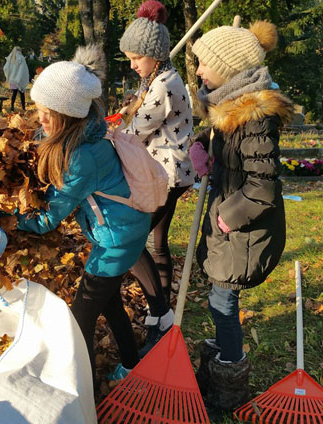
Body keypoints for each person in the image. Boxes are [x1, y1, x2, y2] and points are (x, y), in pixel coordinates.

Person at [13, 45, 151, 384]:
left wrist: (9, 220)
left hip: (115, 242)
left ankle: (84, 391)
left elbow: (47, 220)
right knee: (110, 303)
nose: (40, 118)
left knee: (80, 318)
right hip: (127, 230)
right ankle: (132, 366)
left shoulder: (79, 158)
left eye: (48, 112)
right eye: (38, 108)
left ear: (69, 113)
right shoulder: (89, 131)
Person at [189, 21, 294, 411]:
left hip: (243, 229)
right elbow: (221, 140)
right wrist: (203, 146)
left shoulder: (254, 117)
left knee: (223, 302)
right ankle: (218, 359)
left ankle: (229, 379)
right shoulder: (229, 107)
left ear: (230, 69)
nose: (198, 71)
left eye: (204, 64)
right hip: (230, 224)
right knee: (219, 298)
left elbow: (262, 187)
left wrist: (228, 218)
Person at [119, 0, 195, 359]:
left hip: (163, 174)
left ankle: (160, 313)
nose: (132, 64)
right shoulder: (158, 78)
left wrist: (110, 137)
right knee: (157, 242)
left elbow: (136, 131)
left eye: (136, 57)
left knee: (130, 242)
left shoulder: (164, 84)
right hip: (172, 171)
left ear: (154, 54)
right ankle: (161, 311)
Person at [3, 46, 29, 112]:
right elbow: (24, 69)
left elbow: (5, 68)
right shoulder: (21, 58)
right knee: (22, 94)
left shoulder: (10, 58)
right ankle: (23, 107)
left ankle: (12, 107)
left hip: (12, 80)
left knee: (14, 93)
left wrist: (9, 76)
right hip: (19, 79)